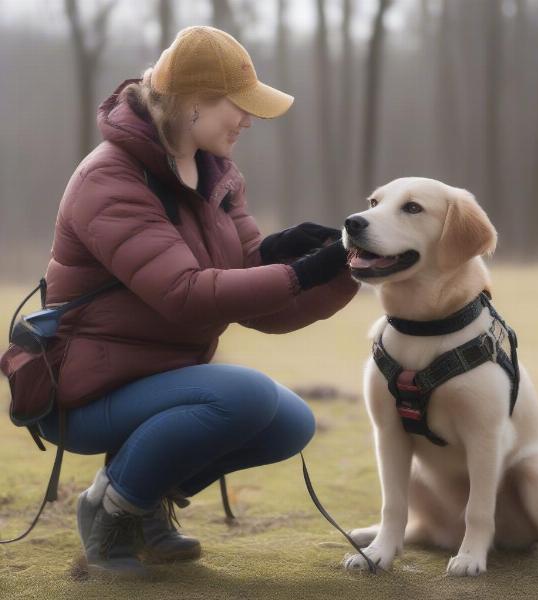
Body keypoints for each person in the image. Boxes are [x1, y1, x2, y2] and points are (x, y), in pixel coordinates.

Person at [33, 25, 360, 575]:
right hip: (84, 393)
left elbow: (257, 297)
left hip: (159, 381)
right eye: (239, 106)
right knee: (248, 396)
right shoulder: (108, 180)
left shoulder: (216, 174)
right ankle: (110, 512)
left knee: (291, 422)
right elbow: (186, 294)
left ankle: (145, 496)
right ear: (193, 105)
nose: (249, 121)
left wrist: (346, 267)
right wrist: (301, 271)